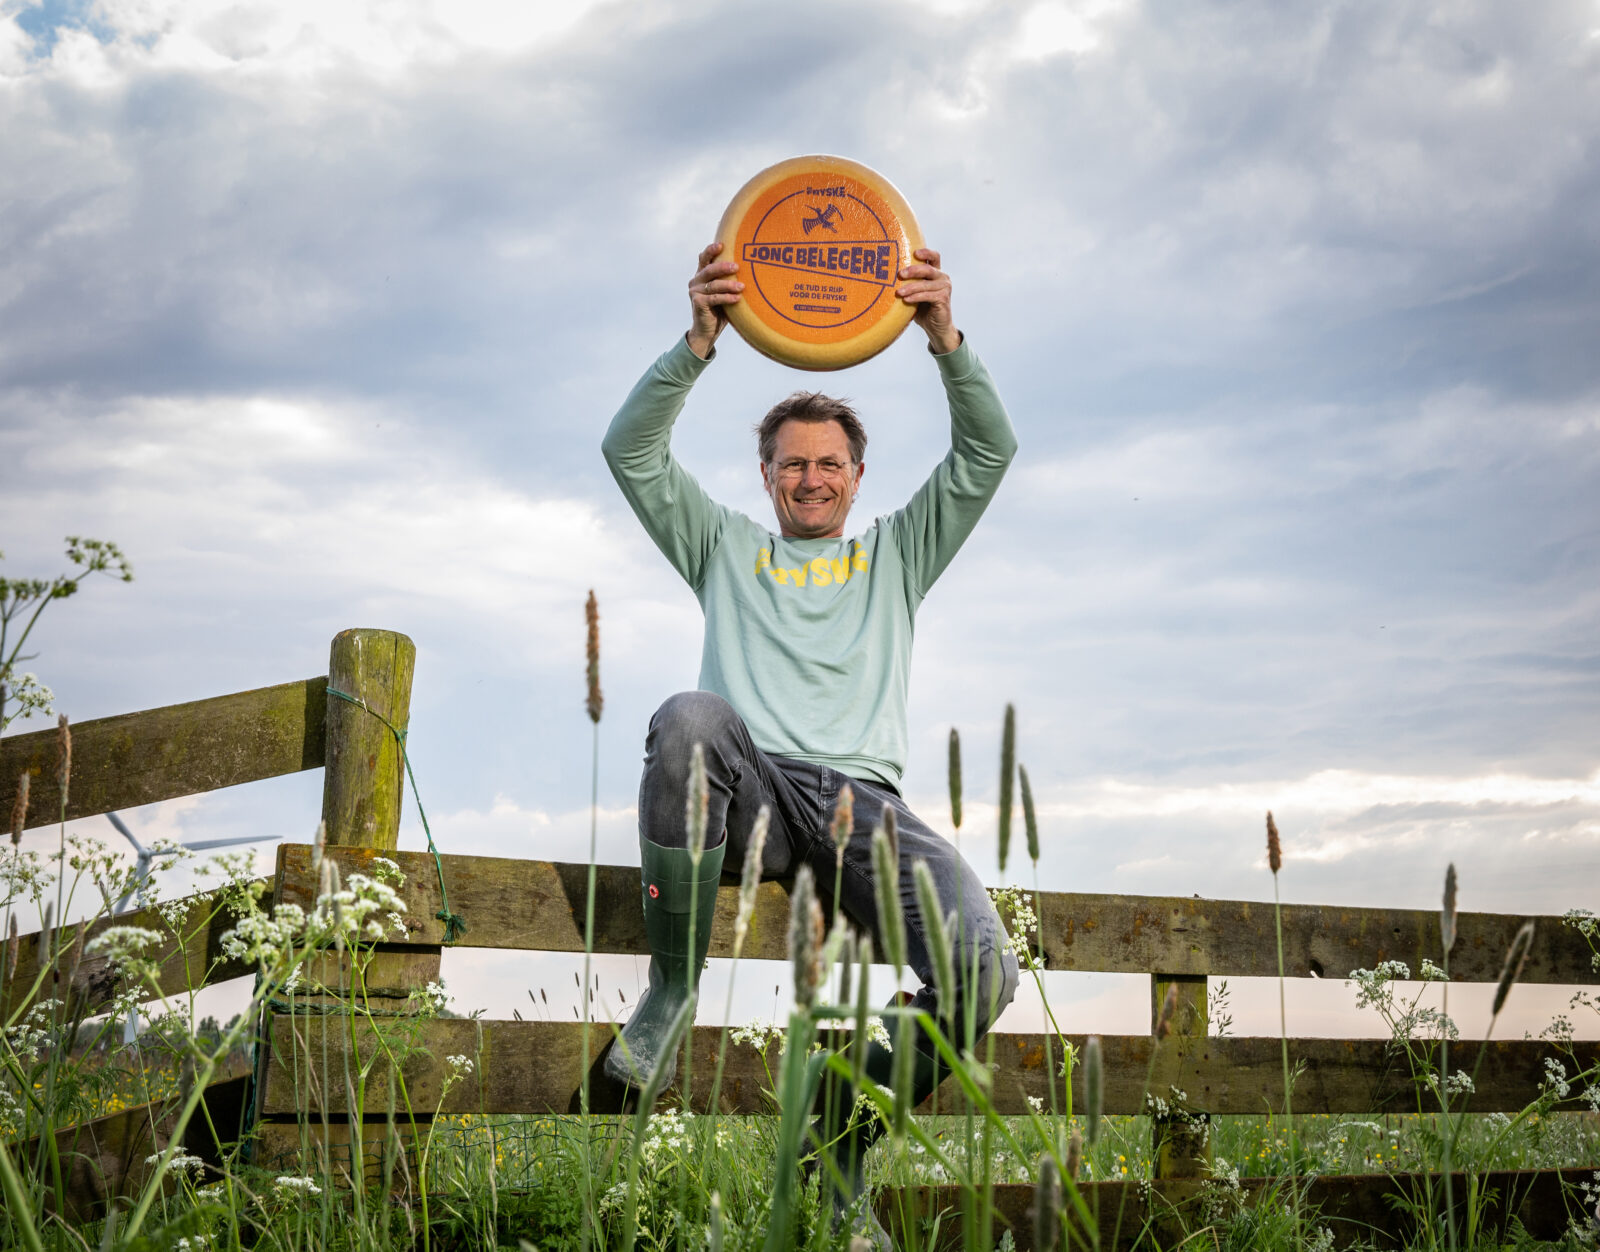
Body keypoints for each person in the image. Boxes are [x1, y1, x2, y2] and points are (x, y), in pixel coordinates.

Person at [600, 240, 1020, 1245]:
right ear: (767, 473)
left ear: (856, 474)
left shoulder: (897, 554)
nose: (811, 477)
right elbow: (630, 452)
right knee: (688, 716)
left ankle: (837, 1140)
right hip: (752, 791)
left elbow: (988, 453)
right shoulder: (722, 546)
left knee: (984, 967)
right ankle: (669, 991)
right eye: (793, 462)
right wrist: (697, 345)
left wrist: (942, 337)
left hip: (863, 802)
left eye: (829, 462)